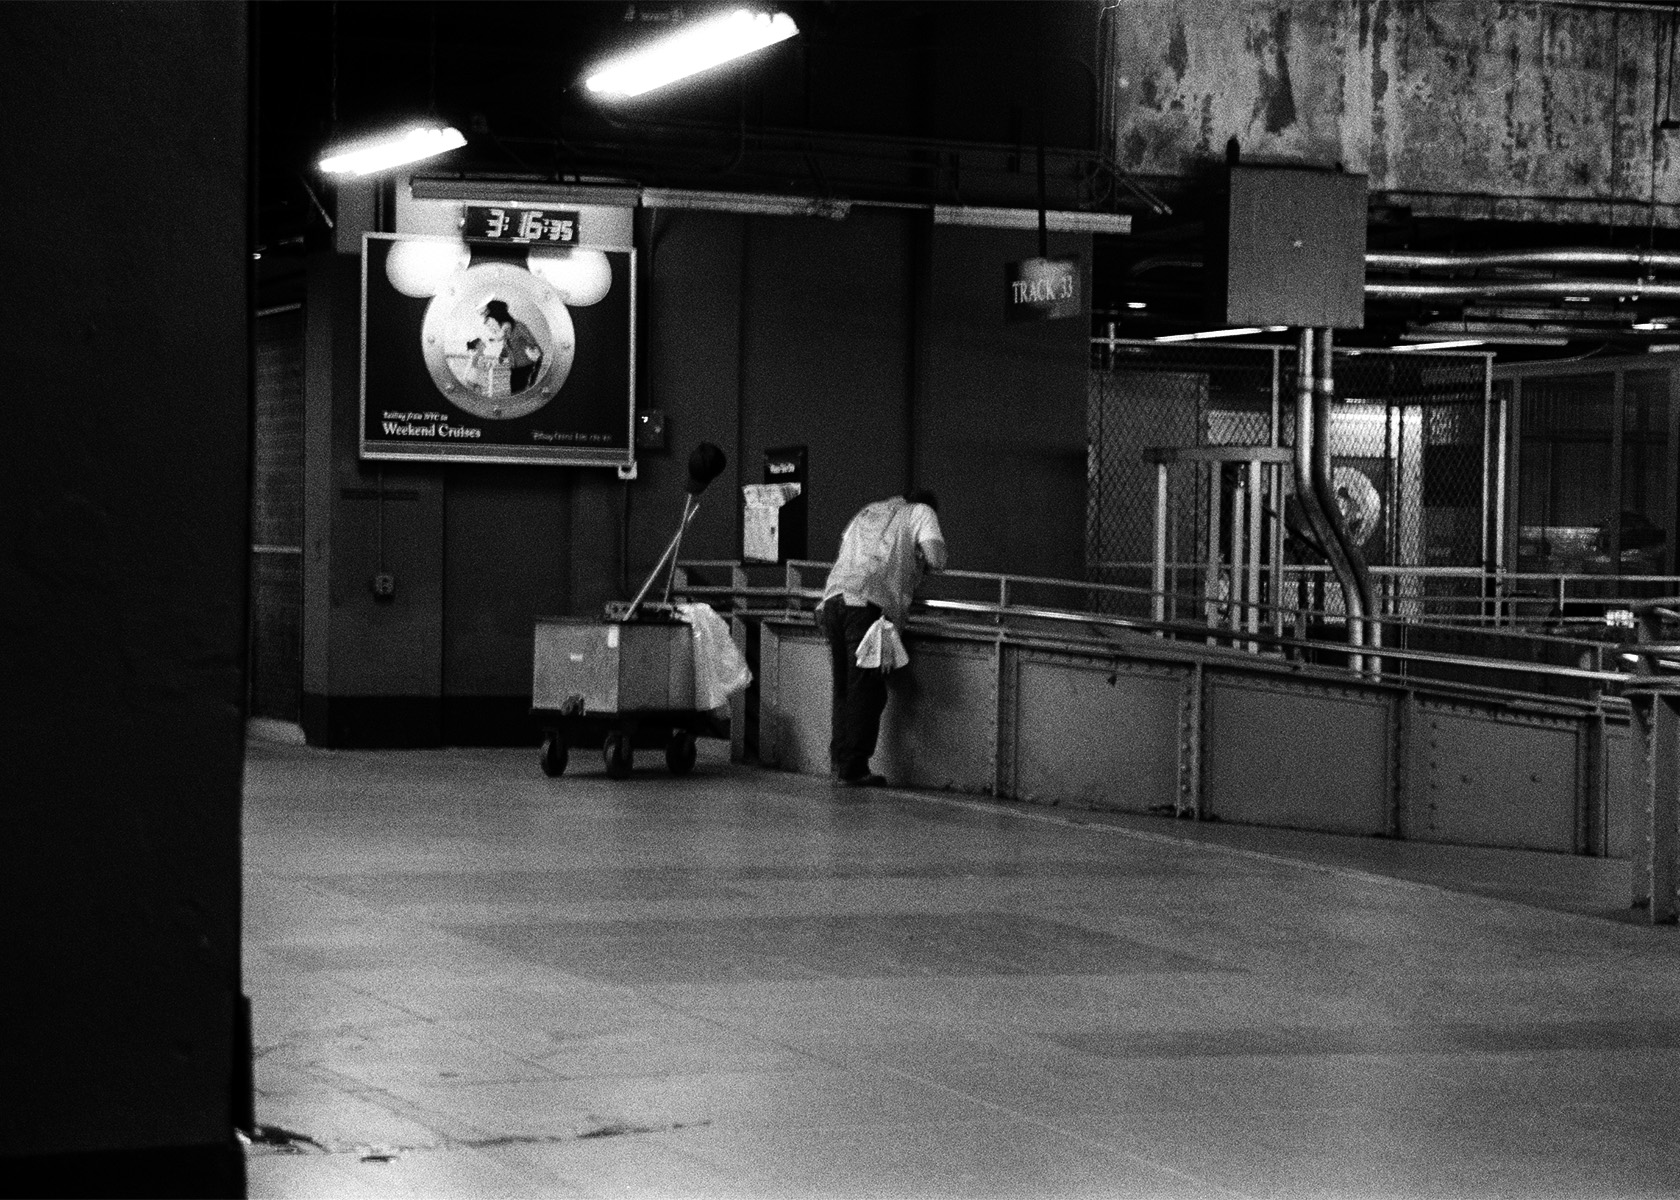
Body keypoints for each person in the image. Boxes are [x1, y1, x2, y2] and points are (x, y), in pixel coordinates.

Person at [817, 489, 947, 786]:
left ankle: (840, 761)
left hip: (831, 603)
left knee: (844, 688)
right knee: (866, 689)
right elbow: (936, 558)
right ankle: (855, 768)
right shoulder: (920, 513)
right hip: (866, 605)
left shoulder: (869, 511)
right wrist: (921, 562)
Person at [477, 298, 544, 393]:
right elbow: (506, 345)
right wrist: (501, 355)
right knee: (515, 391)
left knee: (522, 392)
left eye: (492, 318)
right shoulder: (506, 329)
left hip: (527, 365)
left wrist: (534, 350)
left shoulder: (519, 326)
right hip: (514, 366)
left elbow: (532, 342)